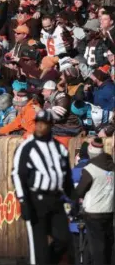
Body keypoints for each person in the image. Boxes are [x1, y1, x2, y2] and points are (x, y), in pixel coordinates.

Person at [12, 110, 74, 265]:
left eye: (43, 124)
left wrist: (74, 199)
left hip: (56, 200)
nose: (40, 127)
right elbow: (18, 175)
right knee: (39, 249)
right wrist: (23, 200)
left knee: (64, 239)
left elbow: (66, 177)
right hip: (35, 200)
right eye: (37, 124)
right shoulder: (27, 147)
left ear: (50, 126)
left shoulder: (59, 148)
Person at [75, 137, 115, 265]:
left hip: (93, 213)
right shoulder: (112, 166)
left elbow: (79, 192)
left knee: (97, 247)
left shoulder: (89, 170)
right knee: (108, 244)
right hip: (109, 211)